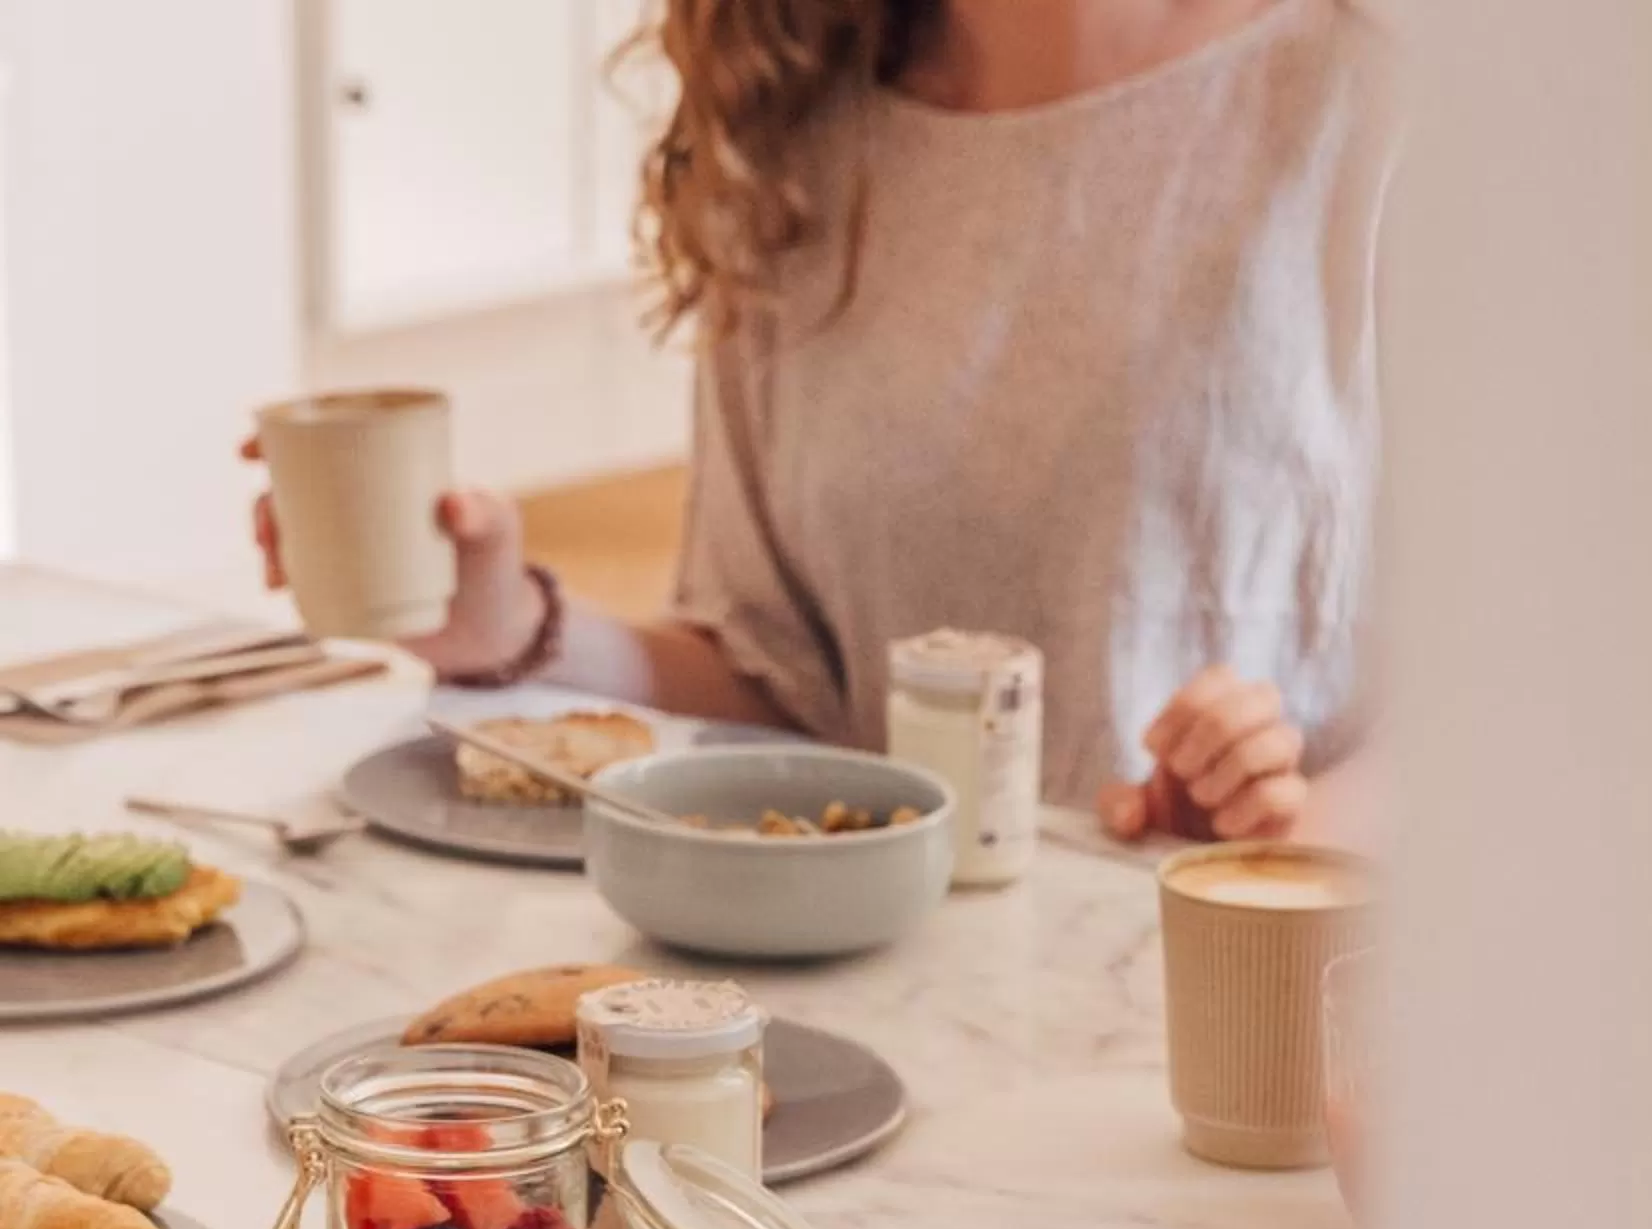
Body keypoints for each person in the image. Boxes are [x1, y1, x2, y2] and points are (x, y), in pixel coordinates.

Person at [254, 0, 1395, 853]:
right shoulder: (785, 133)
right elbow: (779, 688)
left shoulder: (1383, 102)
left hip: (1248, 1035)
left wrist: (1272, 849)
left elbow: (1540, 700)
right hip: (890, 1022)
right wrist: (506, 625)